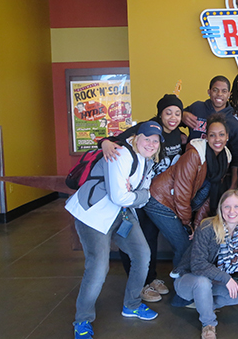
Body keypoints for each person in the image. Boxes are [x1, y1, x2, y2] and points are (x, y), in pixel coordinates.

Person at [65, 121, 163, 339]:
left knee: (142, 254)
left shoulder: (147, 161)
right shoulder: (121, 154)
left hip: (121, 215)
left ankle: (132, 304)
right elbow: (122, 196)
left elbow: (133, 197)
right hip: (94, 215)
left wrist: (135, 195)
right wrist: (140, 195)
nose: (150, 144)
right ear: (136, 137)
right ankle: (82, 320)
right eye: (147, 138)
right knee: (98, 268)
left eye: (155, 141)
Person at [100, 94, 185, 303]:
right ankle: (139, 284)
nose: (173, 117)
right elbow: (116, 142)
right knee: (132, 238)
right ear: (160, 114)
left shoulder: (177, 135)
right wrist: (104, 143)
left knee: (150, 236)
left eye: (177, 113)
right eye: (168, 112)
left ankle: (151, 277)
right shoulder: (147, 129)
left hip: (154, 197)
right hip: (133, 195)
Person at [173, 190, 238, 339]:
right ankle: (208, 324)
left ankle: (204, 304)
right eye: (227, 206)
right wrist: (226, 278)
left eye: (237, 206)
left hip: (214, 281)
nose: (231, 211)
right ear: (220, 209)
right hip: (188, 279)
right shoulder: (207, 227)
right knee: (202, 282)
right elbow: (197, 265)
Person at [146, 113, 232, 273]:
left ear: (227, 136)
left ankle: (185, 282)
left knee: (192, 243)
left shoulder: (224, 158)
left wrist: (197, 226)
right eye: (212, 135)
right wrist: (187, 225)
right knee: (184, 246)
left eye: (221, 135)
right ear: (206, 137)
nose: (217, 139)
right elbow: (181, 192)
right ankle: (181, 288)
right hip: (161, 200)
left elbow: (207, 198)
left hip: (177, 203)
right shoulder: (195, 155)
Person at [182, 75, 238, 188]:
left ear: (229, 94)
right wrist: (182, 115)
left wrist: (233, 187)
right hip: (189, 169)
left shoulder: (235, 125)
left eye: (224, 91)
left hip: (215, 177)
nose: (219, 94)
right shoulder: (197, 108)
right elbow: (172, 122)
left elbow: (237, 161)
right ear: (209, 92)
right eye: (215, 90)